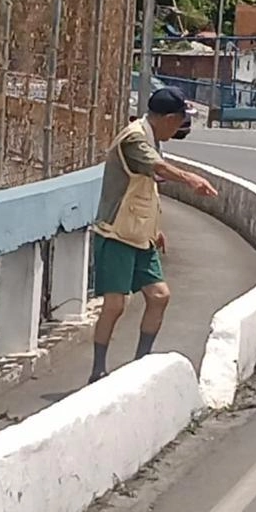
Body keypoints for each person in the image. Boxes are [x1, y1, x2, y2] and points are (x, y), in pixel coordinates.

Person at [89, 86, 217, 383]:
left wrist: (155, 229)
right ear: (169, 118)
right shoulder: (135, 138)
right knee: (115, 304)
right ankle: (98, 369)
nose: (181, 127)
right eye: (181, 120)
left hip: (140, 233)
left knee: (159, 296)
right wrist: (190, 179)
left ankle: (140, 363)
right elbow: (156, 167)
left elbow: (147, 188)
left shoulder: (152, 137)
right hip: (116, 232)